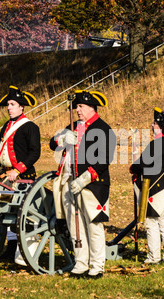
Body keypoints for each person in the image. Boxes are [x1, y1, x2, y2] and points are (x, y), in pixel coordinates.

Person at [50, 89, 116, 278]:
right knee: (74, 225)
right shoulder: (73, 126)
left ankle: (96, 265)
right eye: (76, 106)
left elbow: (104, 159)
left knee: (94, 225)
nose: (77, 110)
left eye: (81, 106)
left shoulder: (103, 129)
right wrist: (62, 139)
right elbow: (51, 144)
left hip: (93, 184)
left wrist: (85, 178)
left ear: (91, 107)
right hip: (70, 182)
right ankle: (81, 262)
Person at [0, 85, 41, 261]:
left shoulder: (30, 127)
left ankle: (25, 254)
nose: (9, 107)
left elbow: (35, 152)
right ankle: (10, 250)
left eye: (12, 104)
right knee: (7, 213)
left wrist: (18, 169)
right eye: (8, 104)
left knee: (24, 215)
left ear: (21, 107)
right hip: (5, 176)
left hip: (23, 177)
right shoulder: (6, 126)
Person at [130, 107, 164, 264]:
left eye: (155, 123)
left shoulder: (157, 144)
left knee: (151, 223)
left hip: (155, 189)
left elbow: (143, 164)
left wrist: (134, 167)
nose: (152, 125)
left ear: (161, 127)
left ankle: (154, 257)